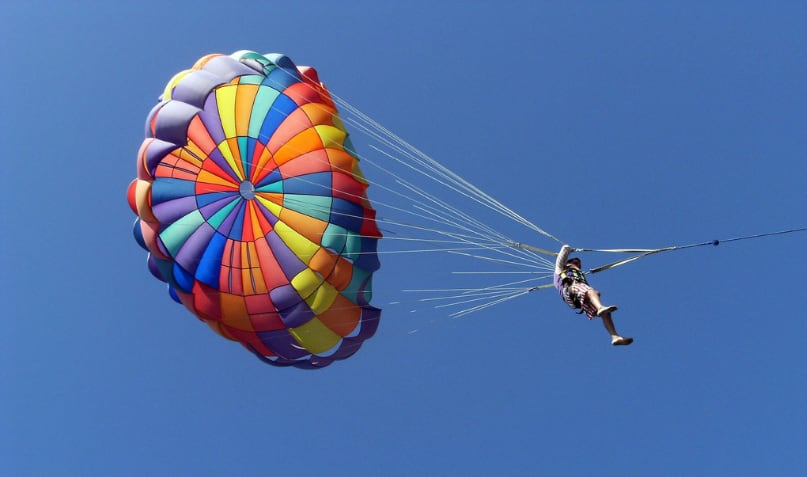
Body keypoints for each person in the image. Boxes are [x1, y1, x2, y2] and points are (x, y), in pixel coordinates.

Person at [554, 244, 633, 346]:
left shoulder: (579, 276)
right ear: (567, 264)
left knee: (605, 312)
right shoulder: (559, 270)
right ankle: (600, 307)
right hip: (570, 291)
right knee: (592, 292)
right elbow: (565, 248)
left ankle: (615, 337)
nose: (578, 266)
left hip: (577, 299)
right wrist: (569, 250)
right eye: (575, 263)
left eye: (579, 265)